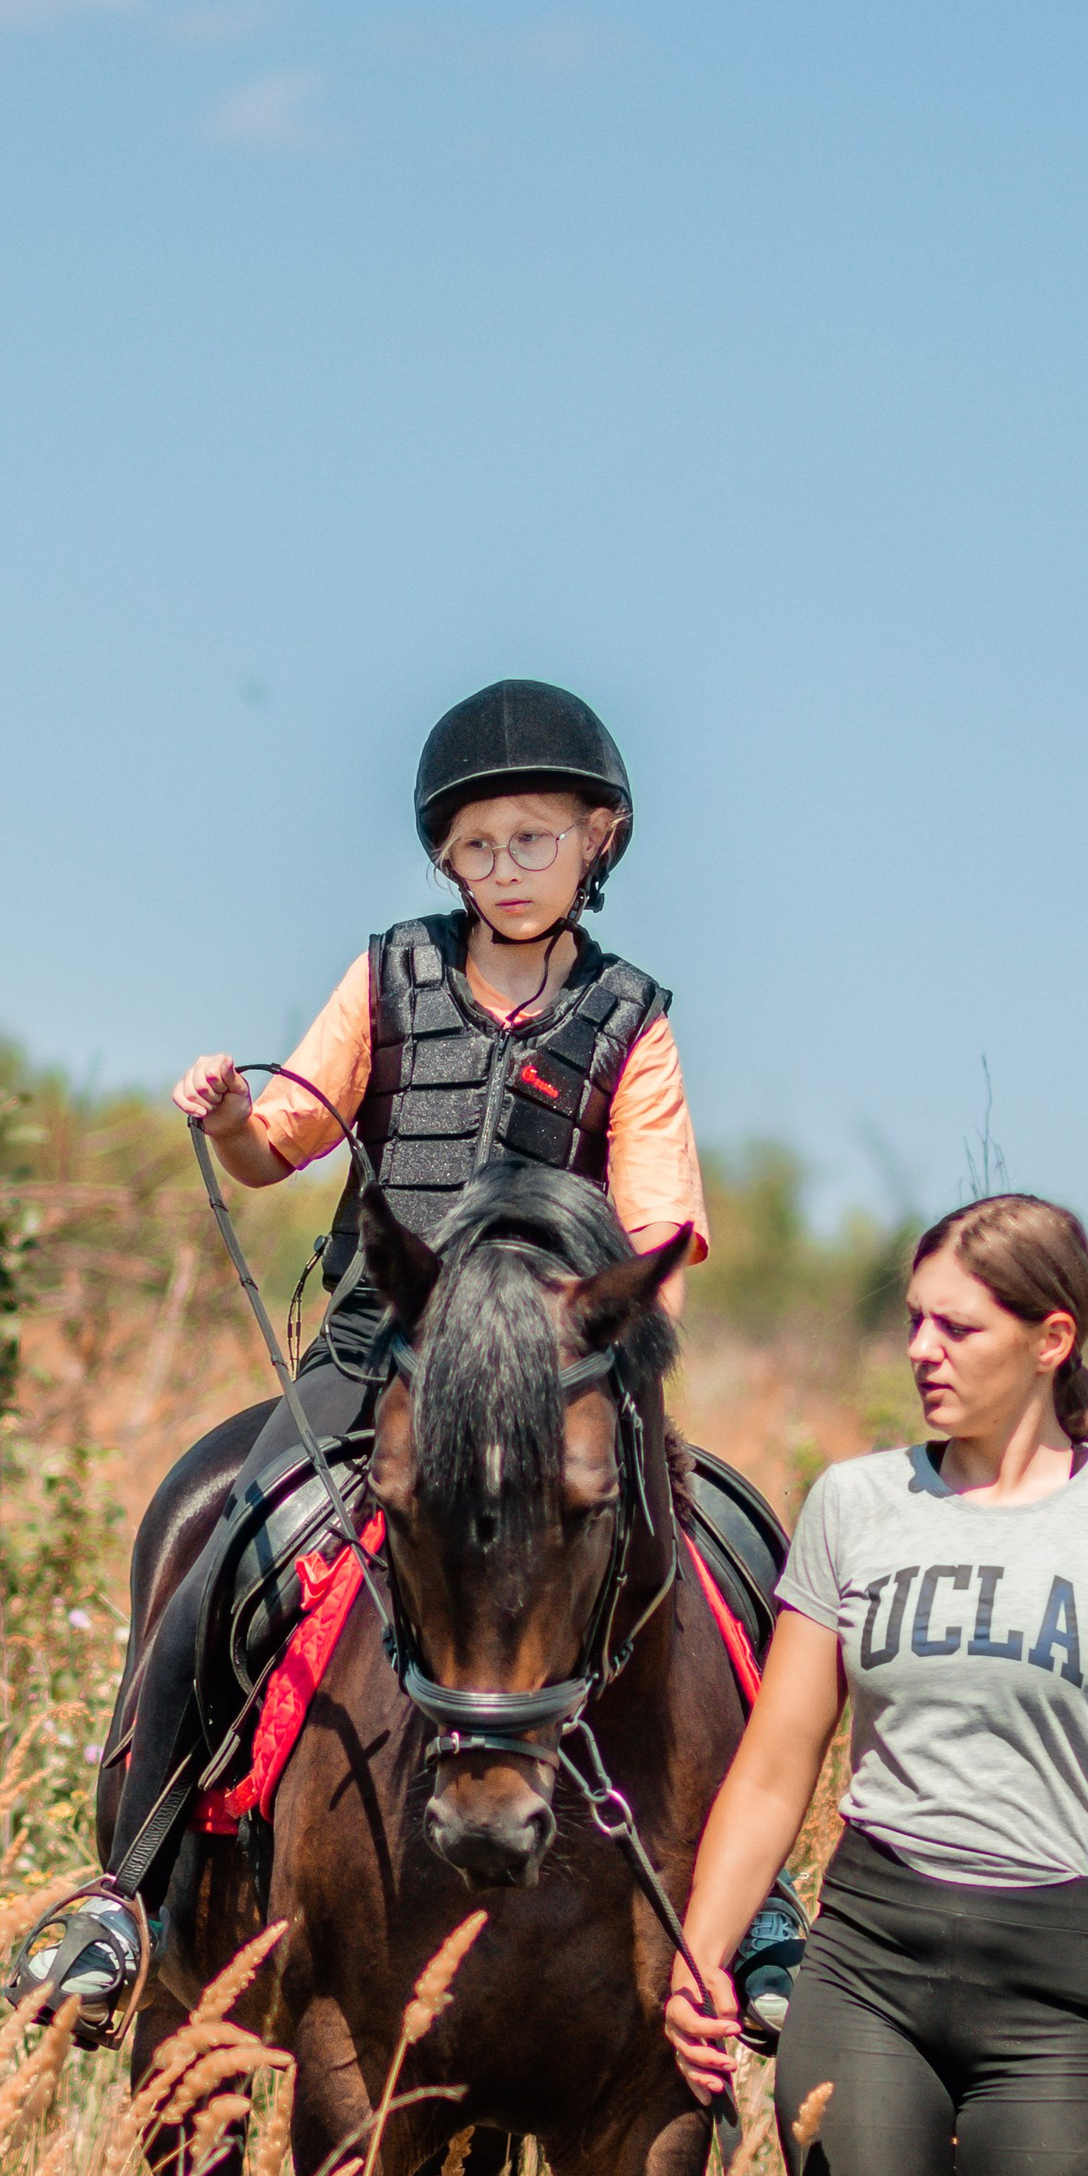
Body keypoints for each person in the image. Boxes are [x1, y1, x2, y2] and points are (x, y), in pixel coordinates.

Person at [128, 679, 708, 1861]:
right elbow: (275, 1146)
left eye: (532, 839)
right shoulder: (387, 974)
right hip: (383, 1351)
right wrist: (234, 1113)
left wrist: (596, 1362)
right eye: (475, 845)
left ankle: (754, 1914)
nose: (504, 866)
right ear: (444, 861)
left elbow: (661, 1238)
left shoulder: (631, 1018)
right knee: (226, 1548)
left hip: (557, 1371)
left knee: (735, 1566)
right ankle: (132, 1885)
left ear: (598, 839)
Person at [663, 1193, 1088, 2176]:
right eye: (915, 1324)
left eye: (959, 1330)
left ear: (1052, 1338)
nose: (923, 1352)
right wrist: (701, 1956)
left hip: (1059, 1992)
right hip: (868, 1974)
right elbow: (777, 1769)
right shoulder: (855, 1505)